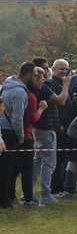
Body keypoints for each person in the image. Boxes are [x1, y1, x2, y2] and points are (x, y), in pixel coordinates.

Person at [33, 59, 70, 205]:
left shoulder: (42, 85)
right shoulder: (47, 85)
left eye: (67, 70)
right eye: (44, 70)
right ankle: (46, 194)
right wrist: (66, 86)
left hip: (42, 128)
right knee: (49, 163)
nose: (45, 73)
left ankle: (28, 193)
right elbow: (61, 101)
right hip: (45, 128)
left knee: (37, 162)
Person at [0, 62, 35, 208]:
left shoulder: (5, 86)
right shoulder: (20, 92)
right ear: (27, 74)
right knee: (7, 168)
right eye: (34, 75)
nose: (35, 78)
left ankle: (7, 197)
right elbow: (17, 118)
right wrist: (20, 136)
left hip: (2, 130)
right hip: (9, 132)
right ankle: (4, 200)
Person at [14, 67, 48, 206]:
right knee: (27, 169)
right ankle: (28, 198)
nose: (42, 81)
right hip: (26, 135)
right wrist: (41, 109)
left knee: (15, 168)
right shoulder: (31, 96)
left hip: (17, 134)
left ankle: (12, 196)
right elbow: (31, 119)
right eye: (40, 78)